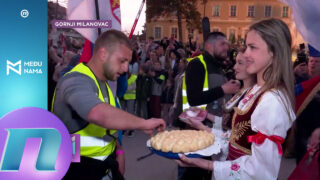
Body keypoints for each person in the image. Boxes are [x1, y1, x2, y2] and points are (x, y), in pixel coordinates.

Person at [176, 18, 296, 180]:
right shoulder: (257, 91)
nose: (246, 54)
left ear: (273, 52)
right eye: (247, 47)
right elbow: (235, 139)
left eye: (252, 48)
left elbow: (260, 171)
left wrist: (208, 165)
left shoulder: (271, 101)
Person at [51, 30, 165, 180]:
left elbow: (106, 129)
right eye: (122, 61)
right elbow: (98, 113)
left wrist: (118, 151)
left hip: (106, 167)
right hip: (78, 171)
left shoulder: (104, 84)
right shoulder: (75, 79)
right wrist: (143, 123)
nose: (125, 69)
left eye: (128, 63)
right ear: (103, 54)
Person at [180, 31, 240, 180]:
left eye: (227, 44)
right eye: (222, 44)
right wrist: (223, 89)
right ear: (209, 45)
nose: (226, 47)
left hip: (211, 129)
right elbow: (193, 98)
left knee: (206, 172)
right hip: (195, 130)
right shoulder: (197, 64)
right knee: (193, 173)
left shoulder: (218, 67)